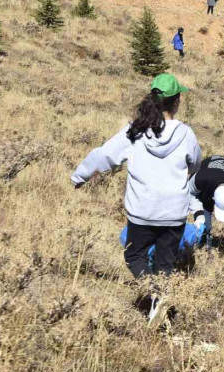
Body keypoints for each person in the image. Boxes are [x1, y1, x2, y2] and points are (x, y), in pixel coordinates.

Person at [72, 73, 201, 278]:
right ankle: (159, 298)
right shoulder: (186, 134)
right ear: (177, 101)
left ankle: (153, 292)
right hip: (173, 213)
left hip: (142, 211)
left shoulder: (136, 131)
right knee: (165, 264)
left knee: (135, 256)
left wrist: (79, 177)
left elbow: (105, 155)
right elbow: (194, 164)